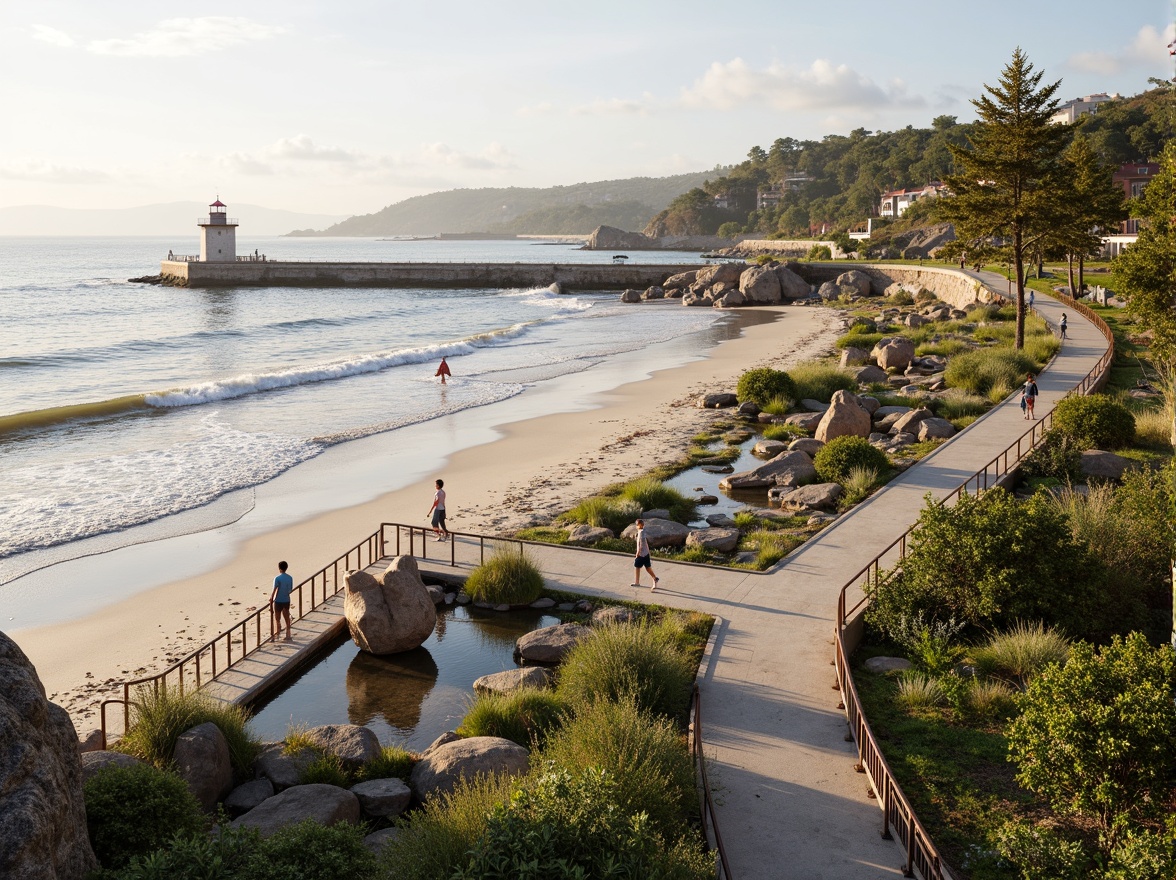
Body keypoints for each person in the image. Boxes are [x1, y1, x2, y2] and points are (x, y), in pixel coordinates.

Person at [631, 519, 660, 592]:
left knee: (640, 567)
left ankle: (653, 578)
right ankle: (654, 579)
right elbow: (645, 542)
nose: (636, 526)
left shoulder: (641, 532)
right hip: (645, 553)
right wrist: (648, 550)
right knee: (645, 567)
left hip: (642, 554)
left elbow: (642, 542)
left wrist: (638, 552)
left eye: (637, 525)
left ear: (640, 525)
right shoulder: (641, 532)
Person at [270, 561, 294, 642]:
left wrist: (271, 598)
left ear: (279, 568)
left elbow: (275, 589)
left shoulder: (277, 578)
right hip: (286, 599)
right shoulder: (290, 578)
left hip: (278, 600)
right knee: (286, 616)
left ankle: (278, 631)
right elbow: (290, 589)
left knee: (277, 617)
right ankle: (288, 634)